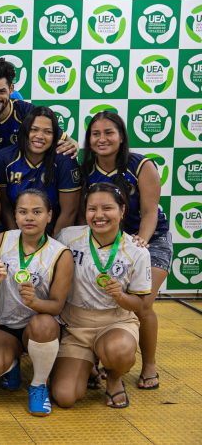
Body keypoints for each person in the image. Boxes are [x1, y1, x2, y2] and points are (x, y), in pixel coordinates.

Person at [80, 111, 171, 391]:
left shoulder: (141, 165)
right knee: (96, 299)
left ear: (121, 137)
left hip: (148, 239)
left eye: (109, 132)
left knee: (142, 304)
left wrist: (140, 242)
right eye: (96, 134)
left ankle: (149, 365)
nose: (102, 139)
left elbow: (149, 212)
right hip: (106, 240)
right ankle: (95, 362)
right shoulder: (85, 167)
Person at [52, 183, 152, 409]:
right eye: (92, 209)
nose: (99, 215)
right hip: (75, 327)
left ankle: (114, 379)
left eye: (107, 208)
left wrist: (120, 296)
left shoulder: (137, 251)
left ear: (122, 210)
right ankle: (89, 365)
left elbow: (141, 305)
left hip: (115, 322)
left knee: (118, 351)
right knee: (65, 396)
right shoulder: (67, 237)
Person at [0, 189, 73, 417]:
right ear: (15, 215)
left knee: (44, 324)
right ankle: (12, 365)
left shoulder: (60, 254)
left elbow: (56, 306)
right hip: (5, 326)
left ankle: (38, 384)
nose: (29, 218)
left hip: (38, 327)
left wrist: (34, 302)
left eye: (37, 212)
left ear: (49, 215)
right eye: (23, 212)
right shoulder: (1, 241)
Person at [0, 107, 81, 236]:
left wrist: (52, 244)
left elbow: (69, 210)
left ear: (55, 136)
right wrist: (16, 238)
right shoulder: (5, 157)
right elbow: (4, 205)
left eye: (48, 132)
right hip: (16, 231)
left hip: (53, 233)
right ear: (25, 131)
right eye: (34, 129)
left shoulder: (64, 160)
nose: (40, 136)